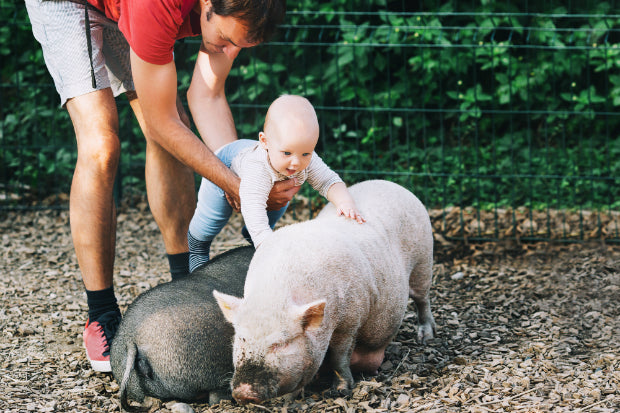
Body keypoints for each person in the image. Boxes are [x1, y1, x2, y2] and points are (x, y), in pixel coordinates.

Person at [24, 0, 295, 373]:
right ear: (207, 4)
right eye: (224, 39)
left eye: (238, 45)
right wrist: (235, 184)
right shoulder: (157, 5)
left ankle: (184, 285)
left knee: (172, 128)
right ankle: (100, 313)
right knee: (102, 144)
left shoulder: (236, 14)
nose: (226, 49)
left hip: (123, 8)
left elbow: (207, 95)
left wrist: (245, 177)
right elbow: (162, 122)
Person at [188, 95, 365, 271]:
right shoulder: (257, 168)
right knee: (209, 222)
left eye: (306, 153)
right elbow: (252, 208)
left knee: (280, 198)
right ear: (265, 142)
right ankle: (197, 246)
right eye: (287, 153)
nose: (296, 162)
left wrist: (345, 202)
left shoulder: (301, 156)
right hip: (226, 164)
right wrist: (268, 248)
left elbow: (328, 181)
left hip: (269, 176)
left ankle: (253, 234)